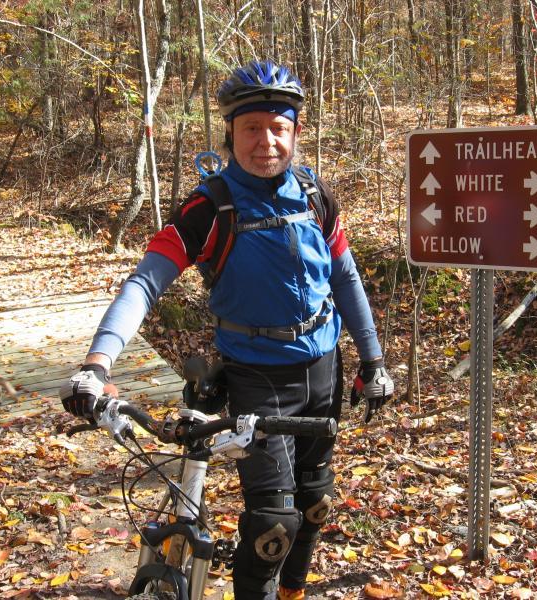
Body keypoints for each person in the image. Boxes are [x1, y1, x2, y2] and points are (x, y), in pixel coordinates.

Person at [60, 60, 394, 600]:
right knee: (272, 525)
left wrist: (373, 361)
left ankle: (293, 593)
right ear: (231, 133)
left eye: (278, 127)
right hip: (257, 379)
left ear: (296, 132)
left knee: (314, 503)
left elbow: (346, 276)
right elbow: (145, 282)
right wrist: (97, 364)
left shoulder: (315, 198)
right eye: (251, 128)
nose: (266, 141)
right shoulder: (209, 207)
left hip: (323, 371)